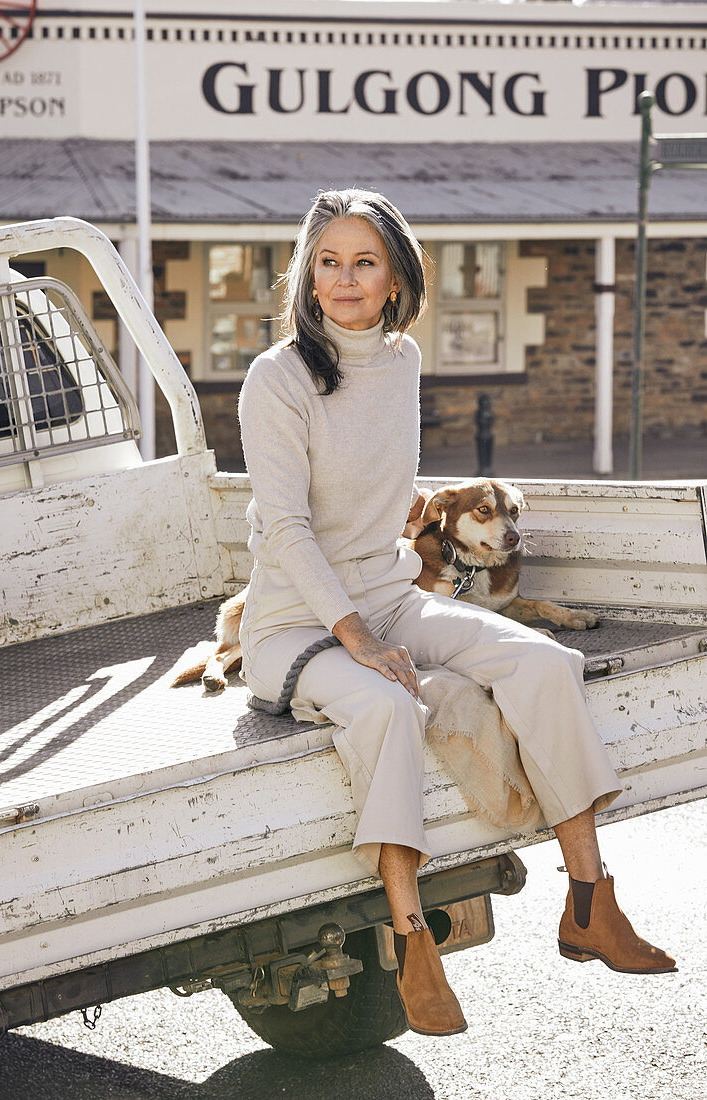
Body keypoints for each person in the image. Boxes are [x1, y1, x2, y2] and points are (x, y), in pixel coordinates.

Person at [237, 188, 676, 1038]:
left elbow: (376, 481)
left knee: (547, 664)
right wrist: (353, 633)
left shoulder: (398, 361)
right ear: (306, 274)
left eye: (364, 261)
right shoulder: (276, 377)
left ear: (398, 276)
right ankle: (411, 942)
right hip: (295, 620)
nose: (343, 279)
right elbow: (286, 527)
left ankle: (589, 903)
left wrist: (403, 559)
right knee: (386, 702)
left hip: (389, 592)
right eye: (327, 261)